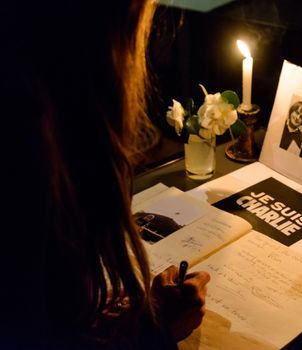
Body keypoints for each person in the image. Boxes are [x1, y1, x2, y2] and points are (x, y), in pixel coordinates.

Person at [2, 1, 210, 349]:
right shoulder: (26, 140)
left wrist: (86, 311)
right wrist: (151, 331)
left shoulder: (42, 111)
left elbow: (41, 307)